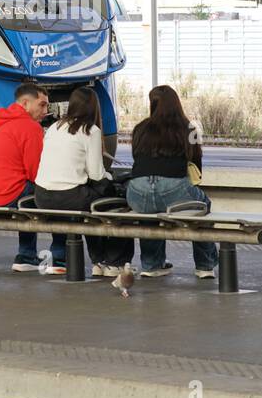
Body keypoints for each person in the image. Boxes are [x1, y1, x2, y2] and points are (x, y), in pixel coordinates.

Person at [0, 82, 67, 274]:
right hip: (7, 195)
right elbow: (36, 172)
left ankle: (26, 256)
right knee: (59, 196)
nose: (45, 111)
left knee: (27, 193)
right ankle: (59, 257)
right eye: (42, 105)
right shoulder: (30, 127)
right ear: (25, 103)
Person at [33, 86, 131, 277]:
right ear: (94, 107)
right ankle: (113, 262)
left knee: (91, 205)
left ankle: (98, 262)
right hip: (70, 197)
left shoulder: (54, 127)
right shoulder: (90, 130)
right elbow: (96, 174)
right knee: (117, 204)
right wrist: (111, 179)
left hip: (42, 196)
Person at [127, 85, 218, 280]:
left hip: (137, 190)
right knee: (203, 206)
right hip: (174, 188)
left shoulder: (140, 128)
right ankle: (205, 265)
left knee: (148, 214)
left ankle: (152, 264)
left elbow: (137, 159)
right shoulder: (189, 129)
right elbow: (196, 166)